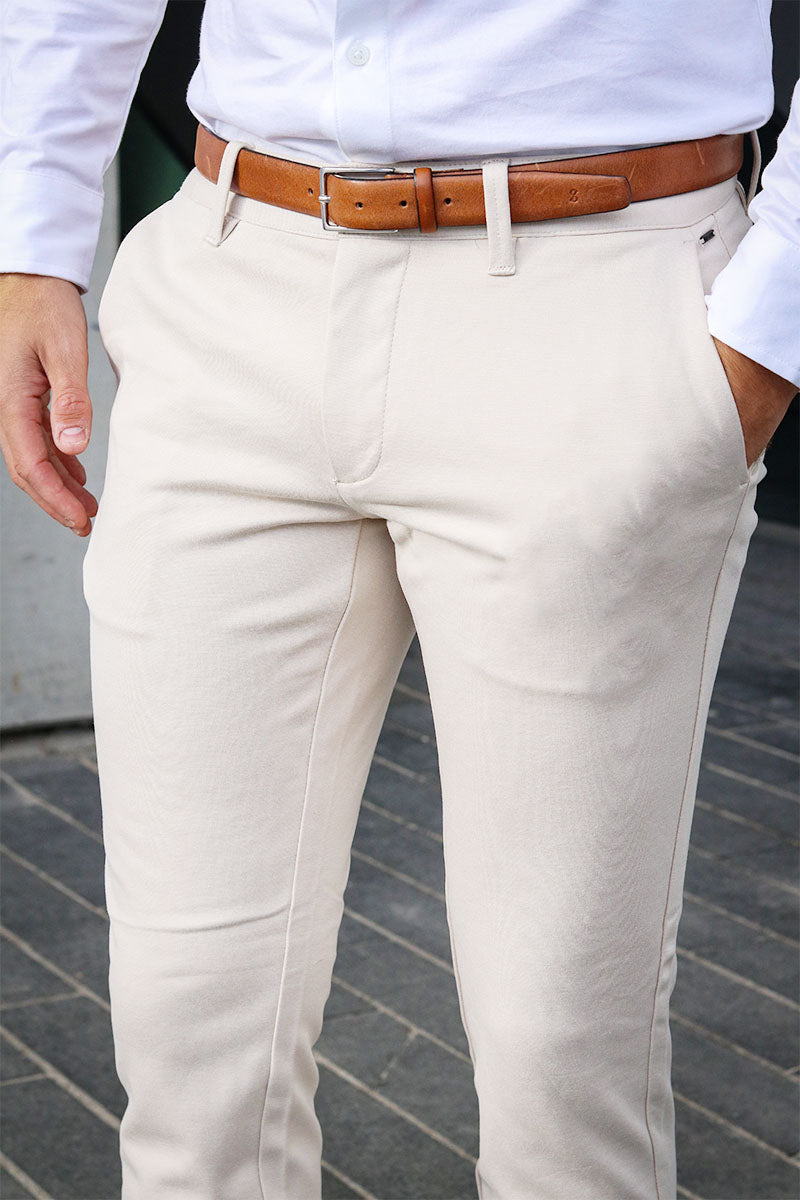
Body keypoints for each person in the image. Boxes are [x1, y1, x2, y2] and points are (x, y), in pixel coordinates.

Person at [0, 2, 797, 1197]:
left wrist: (765, 331)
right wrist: (31, 242)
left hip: (595, 282)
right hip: (237, 266)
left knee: (560, 1057)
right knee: (187, 1042)